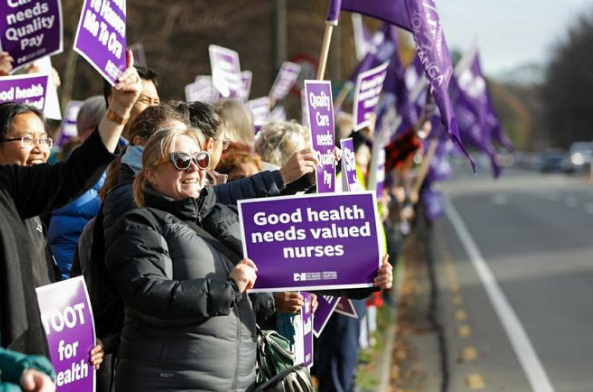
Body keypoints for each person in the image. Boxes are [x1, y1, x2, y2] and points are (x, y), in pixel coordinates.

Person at [0, 50, 141, 358]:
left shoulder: (30, 204)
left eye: (44, 140)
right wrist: (116, 109)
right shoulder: (7, 187)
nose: (39, 150)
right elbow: (75, 172)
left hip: (36, 361)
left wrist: (79, 344)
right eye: (26, 140)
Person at [105, 127, 260, 391]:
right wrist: (229, 288)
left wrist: (272, 297)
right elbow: (150, 293)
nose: (193, 169)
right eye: (181, 161)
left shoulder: (222, 219)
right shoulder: (140, 224)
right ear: (152, 175)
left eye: (200, 160)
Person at [48, 95, 107, 279]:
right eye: (108, 125)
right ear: (85, 131)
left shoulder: (126, 169)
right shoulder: (71, 177)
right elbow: (67, 244)